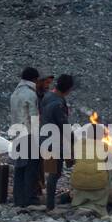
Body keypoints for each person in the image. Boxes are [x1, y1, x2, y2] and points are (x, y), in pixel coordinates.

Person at [40, 74, 74, 210]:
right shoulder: (58, 104)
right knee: (55, 173)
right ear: (68, 89)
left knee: (51, 171)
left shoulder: (48, 96)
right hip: (55, 142)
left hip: (45, 138)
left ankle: (49, 203)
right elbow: (64, 126)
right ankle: (50, 206)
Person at [9, 67, 42, 207]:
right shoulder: (30, 94)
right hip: (28, 134)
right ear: (34, 79)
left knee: (19, 167)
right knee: (30, 167)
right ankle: (29, 199)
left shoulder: (15, 93)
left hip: (16, 132)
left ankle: (18, 199)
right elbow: (34, 117)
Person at [69, 122, 111, 217]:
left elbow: (72, 160)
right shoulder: (105, 146)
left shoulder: (78, 144)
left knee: (79, 168)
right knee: (109, 172)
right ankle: (98, 205)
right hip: (98, 183)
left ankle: (79, 203)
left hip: (78, 182)